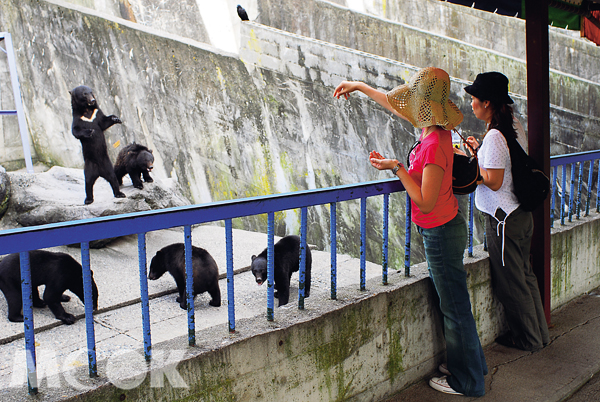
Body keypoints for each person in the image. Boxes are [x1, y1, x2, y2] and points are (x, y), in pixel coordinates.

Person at [334, 67, 487, 397]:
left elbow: (425, 201)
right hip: (445, 228)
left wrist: (397, 168)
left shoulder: (432, 145)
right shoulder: (436, 132)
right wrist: (359, 86)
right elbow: (391, 103)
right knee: (455, 304)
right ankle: (471, 366)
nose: (408, 110)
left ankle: (469, 381)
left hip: (441, 232)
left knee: (454, 309)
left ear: (424, 108)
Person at [463, 72, 549, 352]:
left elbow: (495, 180)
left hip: (504, 220)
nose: (472, 103)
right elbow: (505, 167)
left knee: (511, 284)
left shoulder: (497, 136)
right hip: (520, 215)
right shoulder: (512, 125)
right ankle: (540, 335)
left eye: (474, 99)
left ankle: (528, 340)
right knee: (525, 276)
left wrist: (473, 171)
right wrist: (480, 151)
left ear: (487, 102)